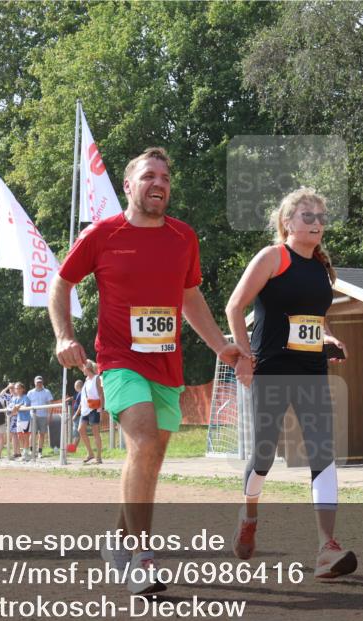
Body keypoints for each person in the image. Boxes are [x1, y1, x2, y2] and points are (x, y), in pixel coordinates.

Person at [49, 146, 243, 595]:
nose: (159, 184)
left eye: (166, 178)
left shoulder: (183, 238)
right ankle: (143, 558)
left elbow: (190, 297)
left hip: (167, 366)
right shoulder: (102, 235)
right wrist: (64, 336)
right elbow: (61, 284)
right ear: (128, 185)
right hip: (118, 360)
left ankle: (117, 542)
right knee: (142, 438)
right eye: (149, 176)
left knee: (151, 459)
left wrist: (221, 347)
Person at [226, 187, 357, 580]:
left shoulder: (320, 267)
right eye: (308, 216)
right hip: (271, 370)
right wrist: (246, 359)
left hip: (311, 371)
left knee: (322, 452)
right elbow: (235, 306)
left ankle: (326, 547)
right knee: (264, 455)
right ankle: (249, 515)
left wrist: (328, 337)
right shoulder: (273, 257)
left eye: (321, 217)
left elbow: (312, 318)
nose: (317, 223)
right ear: (287, 222)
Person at [79, 360, 105, 465]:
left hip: (94, 409)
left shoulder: (96, 378)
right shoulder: (86, 380)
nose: (82, 370)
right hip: (85, 409)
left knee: (95, 433)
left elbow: (101, 395)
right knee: (80, 429)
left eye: (83, 367)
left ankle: (99, 457)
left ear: (88, 368)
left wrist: (101, 410)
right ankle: (90, 453)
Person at [27, 376, 54, 457]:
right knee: (32, 434)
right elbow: (27, 404)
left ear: (43, 382)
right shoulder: (30, 392)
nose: (39, 384)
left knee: (42, 434)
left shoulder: (47, 392)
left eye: (40, 382)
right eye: (37, 382)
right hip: (32, 416)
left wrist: (50, 416)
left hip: (43, 416)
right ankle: (32, 451)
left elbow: (50, 405)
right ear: (34, 383)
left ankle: (39, 452)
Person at [9, 382, 33, 460]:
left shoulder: (25, 397)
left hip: (26, 420)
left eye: (19, 388)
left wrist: (18, 406)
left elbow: (26, 406)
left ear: (23, 389)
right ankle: (25, 453)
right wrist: (16, 407)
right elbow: (12, 409)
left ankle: (26, 454)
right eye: (16, 388)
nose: (18, 390)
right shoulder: (14, 399)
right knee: (20, 437)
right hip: (19, 420)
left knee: (26, 436)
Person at [0, 383, 16, 457]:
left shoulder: (17, 396)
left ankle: (16, 452)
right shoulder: (9, 396)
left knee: (15, 435)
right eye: (10, 388)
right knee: (11, 435)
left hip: (16, 417)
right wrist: (7, 387)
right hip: (9, 418)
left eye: (12, 388)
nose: (11, 389)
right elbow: (1, 394)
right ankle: (13, 452)